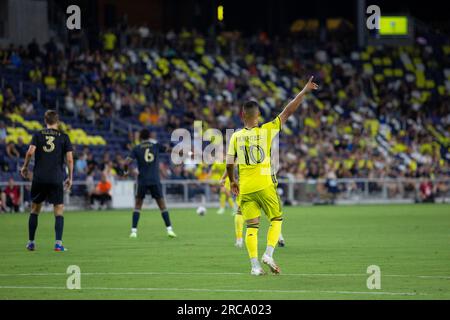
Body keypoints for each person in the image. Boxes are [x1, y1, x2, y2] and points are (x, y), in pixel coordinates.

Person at [226, 76, 318, 275]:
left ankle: (254, 266)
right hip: (265, 185)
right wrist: (304, 91)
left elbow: (229, 162)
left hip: (246, 187)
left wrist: (233, 180)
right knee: (276, 219)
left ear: (242, 115)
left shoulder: (235, 136)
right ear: (257, 114)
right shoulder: (267, 130)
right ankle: (268, 253)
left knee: (251, 227)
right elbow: (288, 111)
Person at [20, 110, 74, 252]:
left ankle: (31, 242)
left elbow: (30, 152)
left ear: (45, 121)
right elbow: (69, 159)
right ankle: (58, 244)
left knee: (35, 209)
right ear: (58, 121)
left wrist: (25, 167)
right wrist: (70, 177)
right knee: (59, 210)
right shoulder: (64, 137)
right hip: (56, 177)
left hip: (39, 177)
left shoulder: (38, 134)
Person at [123, 129, 177, 238]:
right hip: (155, 180)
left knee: (138, 205)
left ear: (140, 138)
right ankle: (169, 230)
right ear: (149, 136)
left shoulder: (136, 148)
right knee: (162, 205)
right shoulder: (155, 146)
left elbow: (126, 162)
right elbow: (170, 150)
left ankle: (134, 231)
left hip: (142, 180)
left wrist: (125, 172)